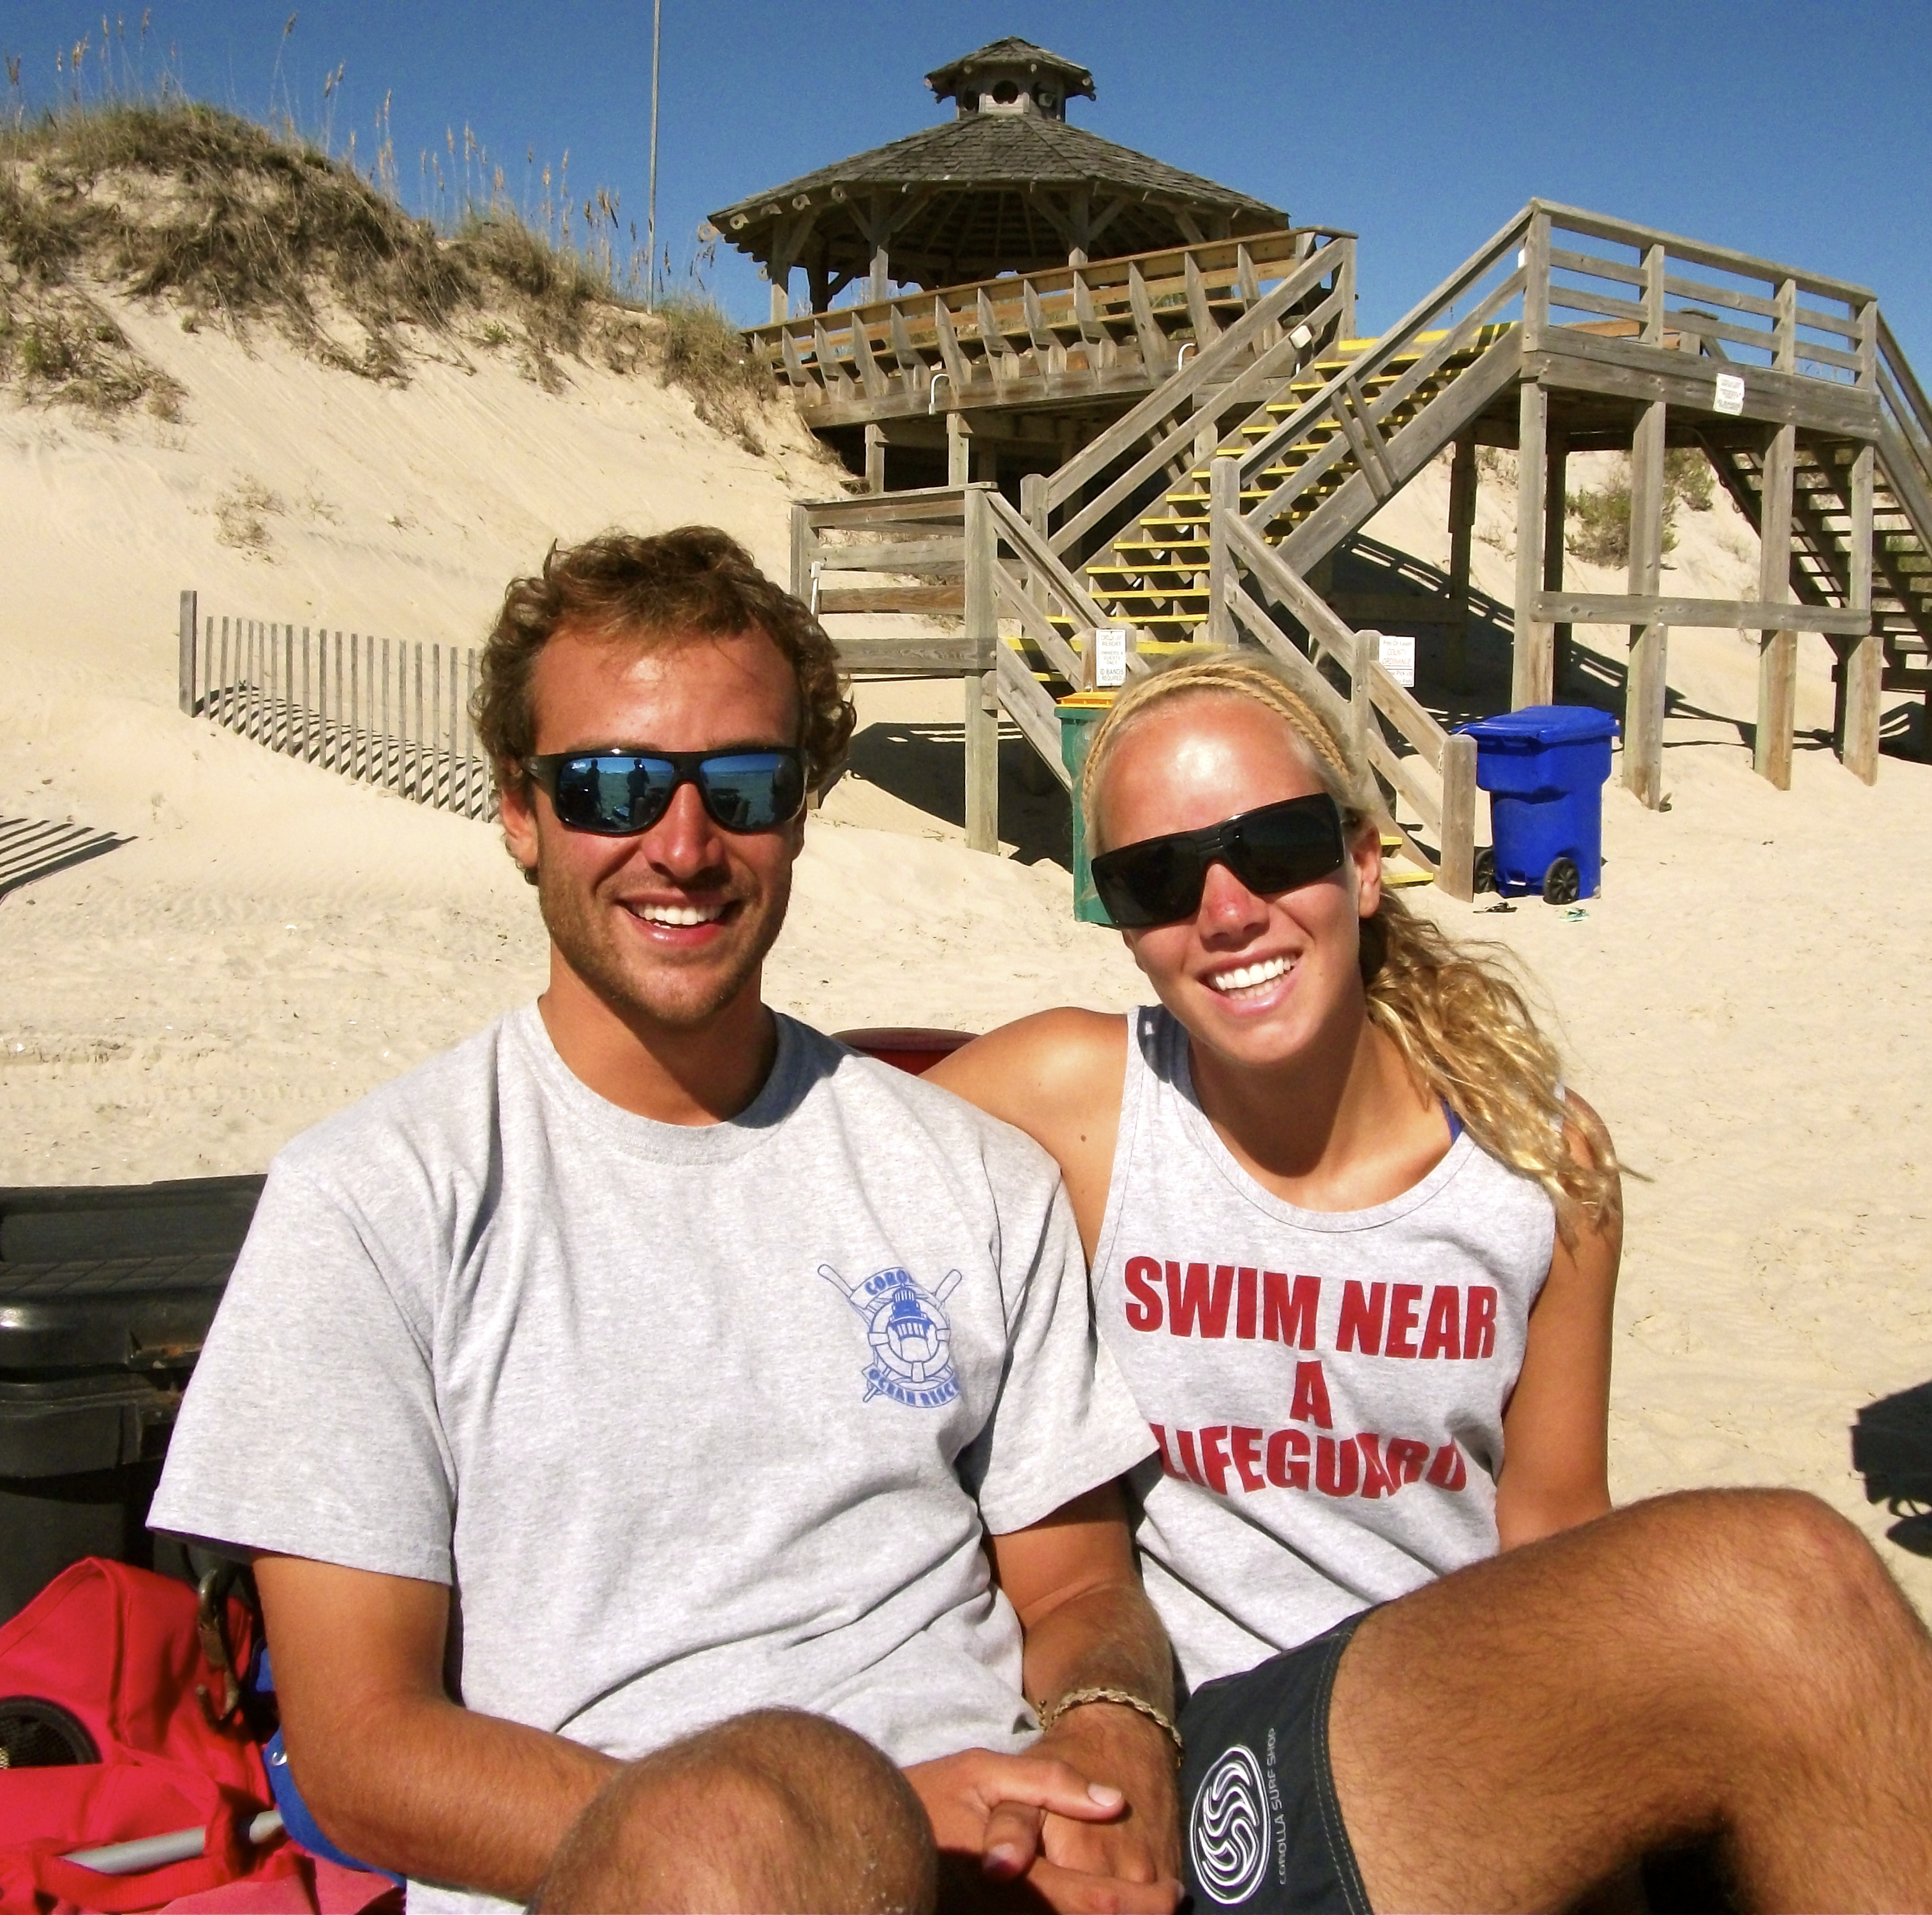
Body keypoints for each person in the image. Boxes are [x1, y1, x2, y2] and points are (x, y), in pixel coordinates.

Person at [147, 527, 1187, 1915]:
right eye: (613, 786)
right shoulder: (377, 1200)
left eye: (743, 787)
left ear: (800, 812)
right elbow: (361, 1752)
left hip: (999, 1862)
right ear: (521, 812)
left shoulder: (963, 1172)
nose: (682, 847)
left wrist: (1114, 1730)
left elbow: (1070, 1589)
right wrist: (830, 1839)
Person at [929, 654, 1932, 1913]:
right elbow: (805, 1167)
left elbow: (1551, 1528)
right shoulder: (1081, 1105)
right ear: (1122, 924)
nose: (1225, 911)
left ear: (1358, 863)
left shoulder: (1536, 1167)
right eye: (1159, 878)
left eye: (1272, 847)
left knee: (1796, 1626)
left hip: (1444, 1731)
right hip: (1208, 1735)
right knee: (1783, 1578)